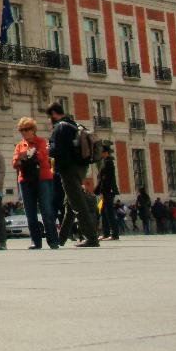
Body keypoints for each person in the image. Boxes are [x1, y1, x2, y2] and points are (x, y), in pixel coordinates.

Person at [46, 102, 99, 247]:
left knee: (78, 204)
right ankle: (61, 238)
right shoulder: (74, 124)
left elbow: (55, 151)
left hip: (68, 169)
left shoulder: (60, 127)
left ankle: (91, 237)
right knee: (70, 203)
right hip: (81, 168)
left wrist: (48, 149)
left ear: (53, 114)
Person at [12, 116, 59, 249]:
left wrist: (24, 156)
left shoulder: (41, 142)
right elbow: (14, 163)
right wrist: (27, 156)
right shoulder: (19, 145)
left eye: (27, 129)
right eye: (22, 130)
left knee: (46, 210)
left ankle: (53, 240)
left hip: (42, 178)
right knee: (30, 212)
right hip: (25, 180)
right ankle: (35, 241)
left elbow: (42, 157)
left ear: (33, 130)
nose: (24, 132)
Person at [96, 143, 119, 241]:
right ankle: (106, 233)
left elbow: (106, 179)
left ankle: (114, 234)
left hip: (106, 192)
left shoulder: (108, 163)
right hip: (105, 191)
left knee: (109, 213)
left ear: (105, 153)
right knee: (103, 212)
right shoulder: (105, 161)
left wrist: (101, 192)